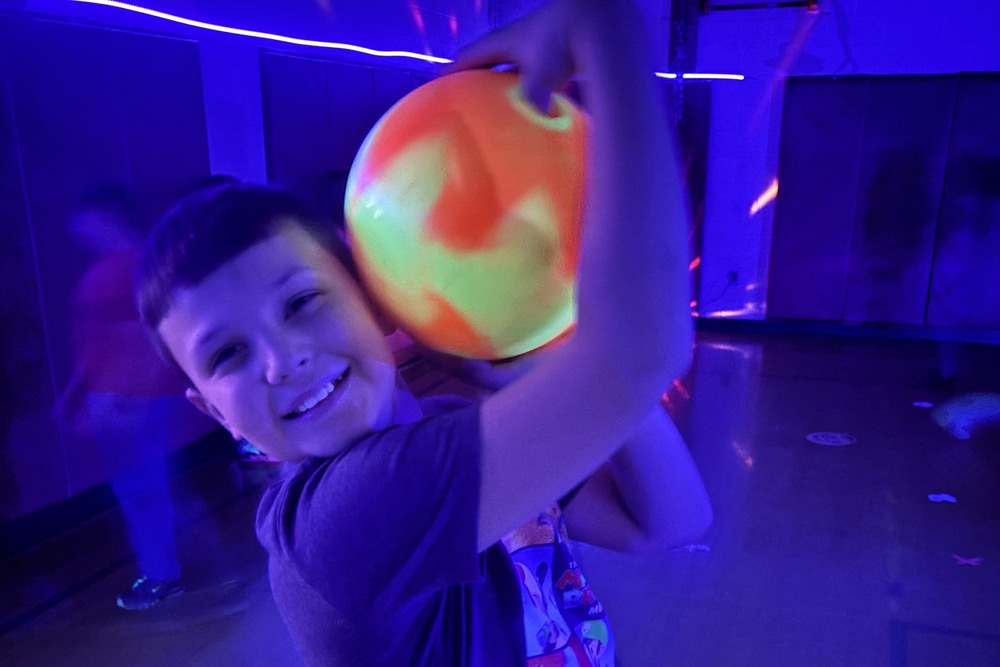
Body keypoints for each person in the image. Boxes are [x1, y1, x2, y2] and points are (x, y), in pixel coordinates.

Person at [134, 0, 711, 663]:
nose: (280, 360)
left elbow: (666, 520)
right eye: (228, 353)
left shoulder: (451, 431)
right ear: (212, 409)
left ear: (378, 295)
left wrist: (552, 350)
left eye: (301, 303)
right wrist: (605, 29)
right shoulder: (339, 521)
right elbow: (641, 350)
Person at [55, 183, 187, 610]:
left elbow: (147, 339)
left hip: (129, 399)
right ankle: (162, 569)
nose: (80, 231)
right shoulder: (117, 266)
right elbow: (95, 343)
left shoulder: (137, 267)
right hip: (114, 395)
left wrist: (128, 398)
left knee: (143, 490)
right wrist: (75, 394)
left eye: (87, 221)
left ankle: (162, 576)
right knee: (140, 488)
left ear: (107, 215)